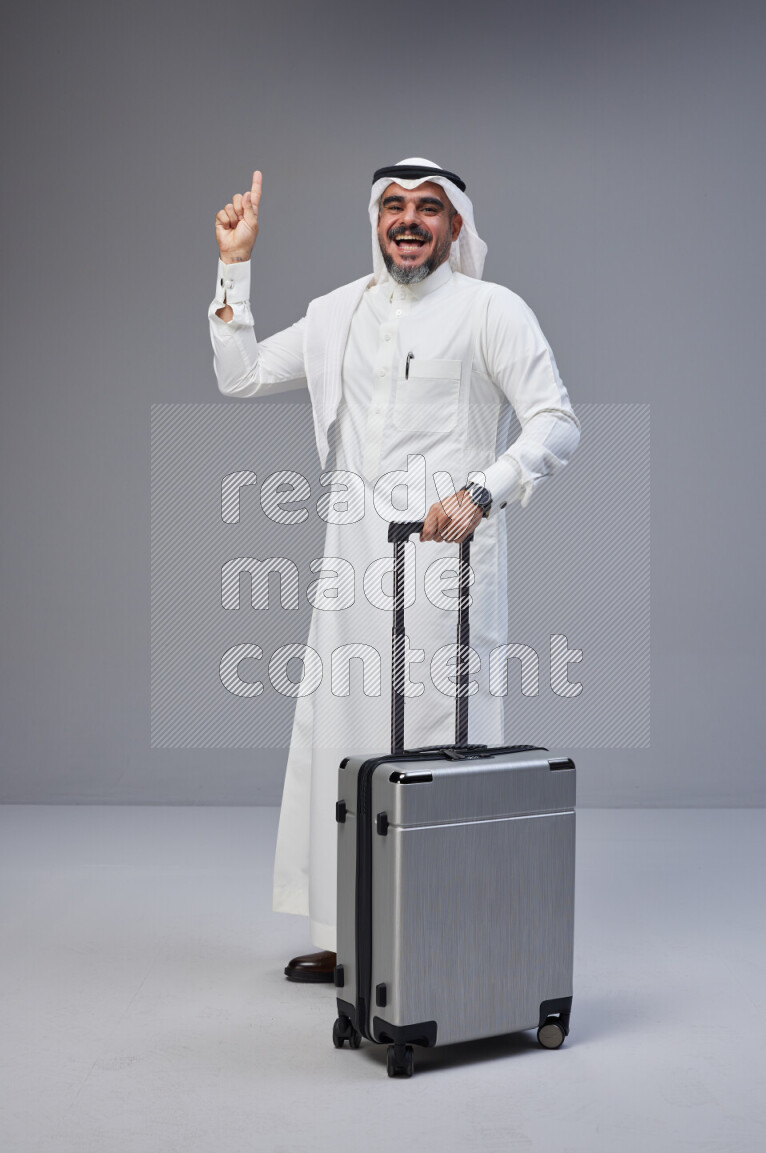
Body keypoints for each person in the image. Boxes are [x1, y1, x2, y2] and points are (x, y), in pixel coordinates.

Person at [209, 158, 580, 982]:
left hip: (448, 554)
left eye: (428, 208)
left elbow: (557, 423)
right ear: (377, 220)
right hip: (352, 560)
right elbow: (238, 376)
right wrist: (236, 261)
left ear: (455, 226)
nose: (408, 221)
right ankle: (353, 934)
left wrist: (486, 489)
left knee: (443, 740)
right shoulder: (341, 313)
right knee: (344, 733)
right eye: (394, 207)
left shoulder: (492, 310)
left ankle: (441, 935)